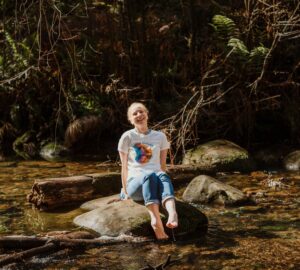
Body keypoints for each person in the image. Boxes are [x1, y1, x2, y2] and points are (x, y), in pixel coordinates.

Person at [118, 102, 178, 240]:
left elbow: (162, 166)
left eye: (141, 112)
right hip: (136, 185)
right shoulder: (127, 137)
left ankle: (172, 213)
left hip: (155, 181)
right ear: (130, 120)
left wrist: (162, 182)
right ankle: (155, 221)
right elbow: (124, 167)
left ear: (147, 114)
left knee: (161, 174)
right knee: (149, 174)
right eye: (134, 113)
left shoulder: (160, 137)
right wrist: (125, 192)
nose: (139, 115)